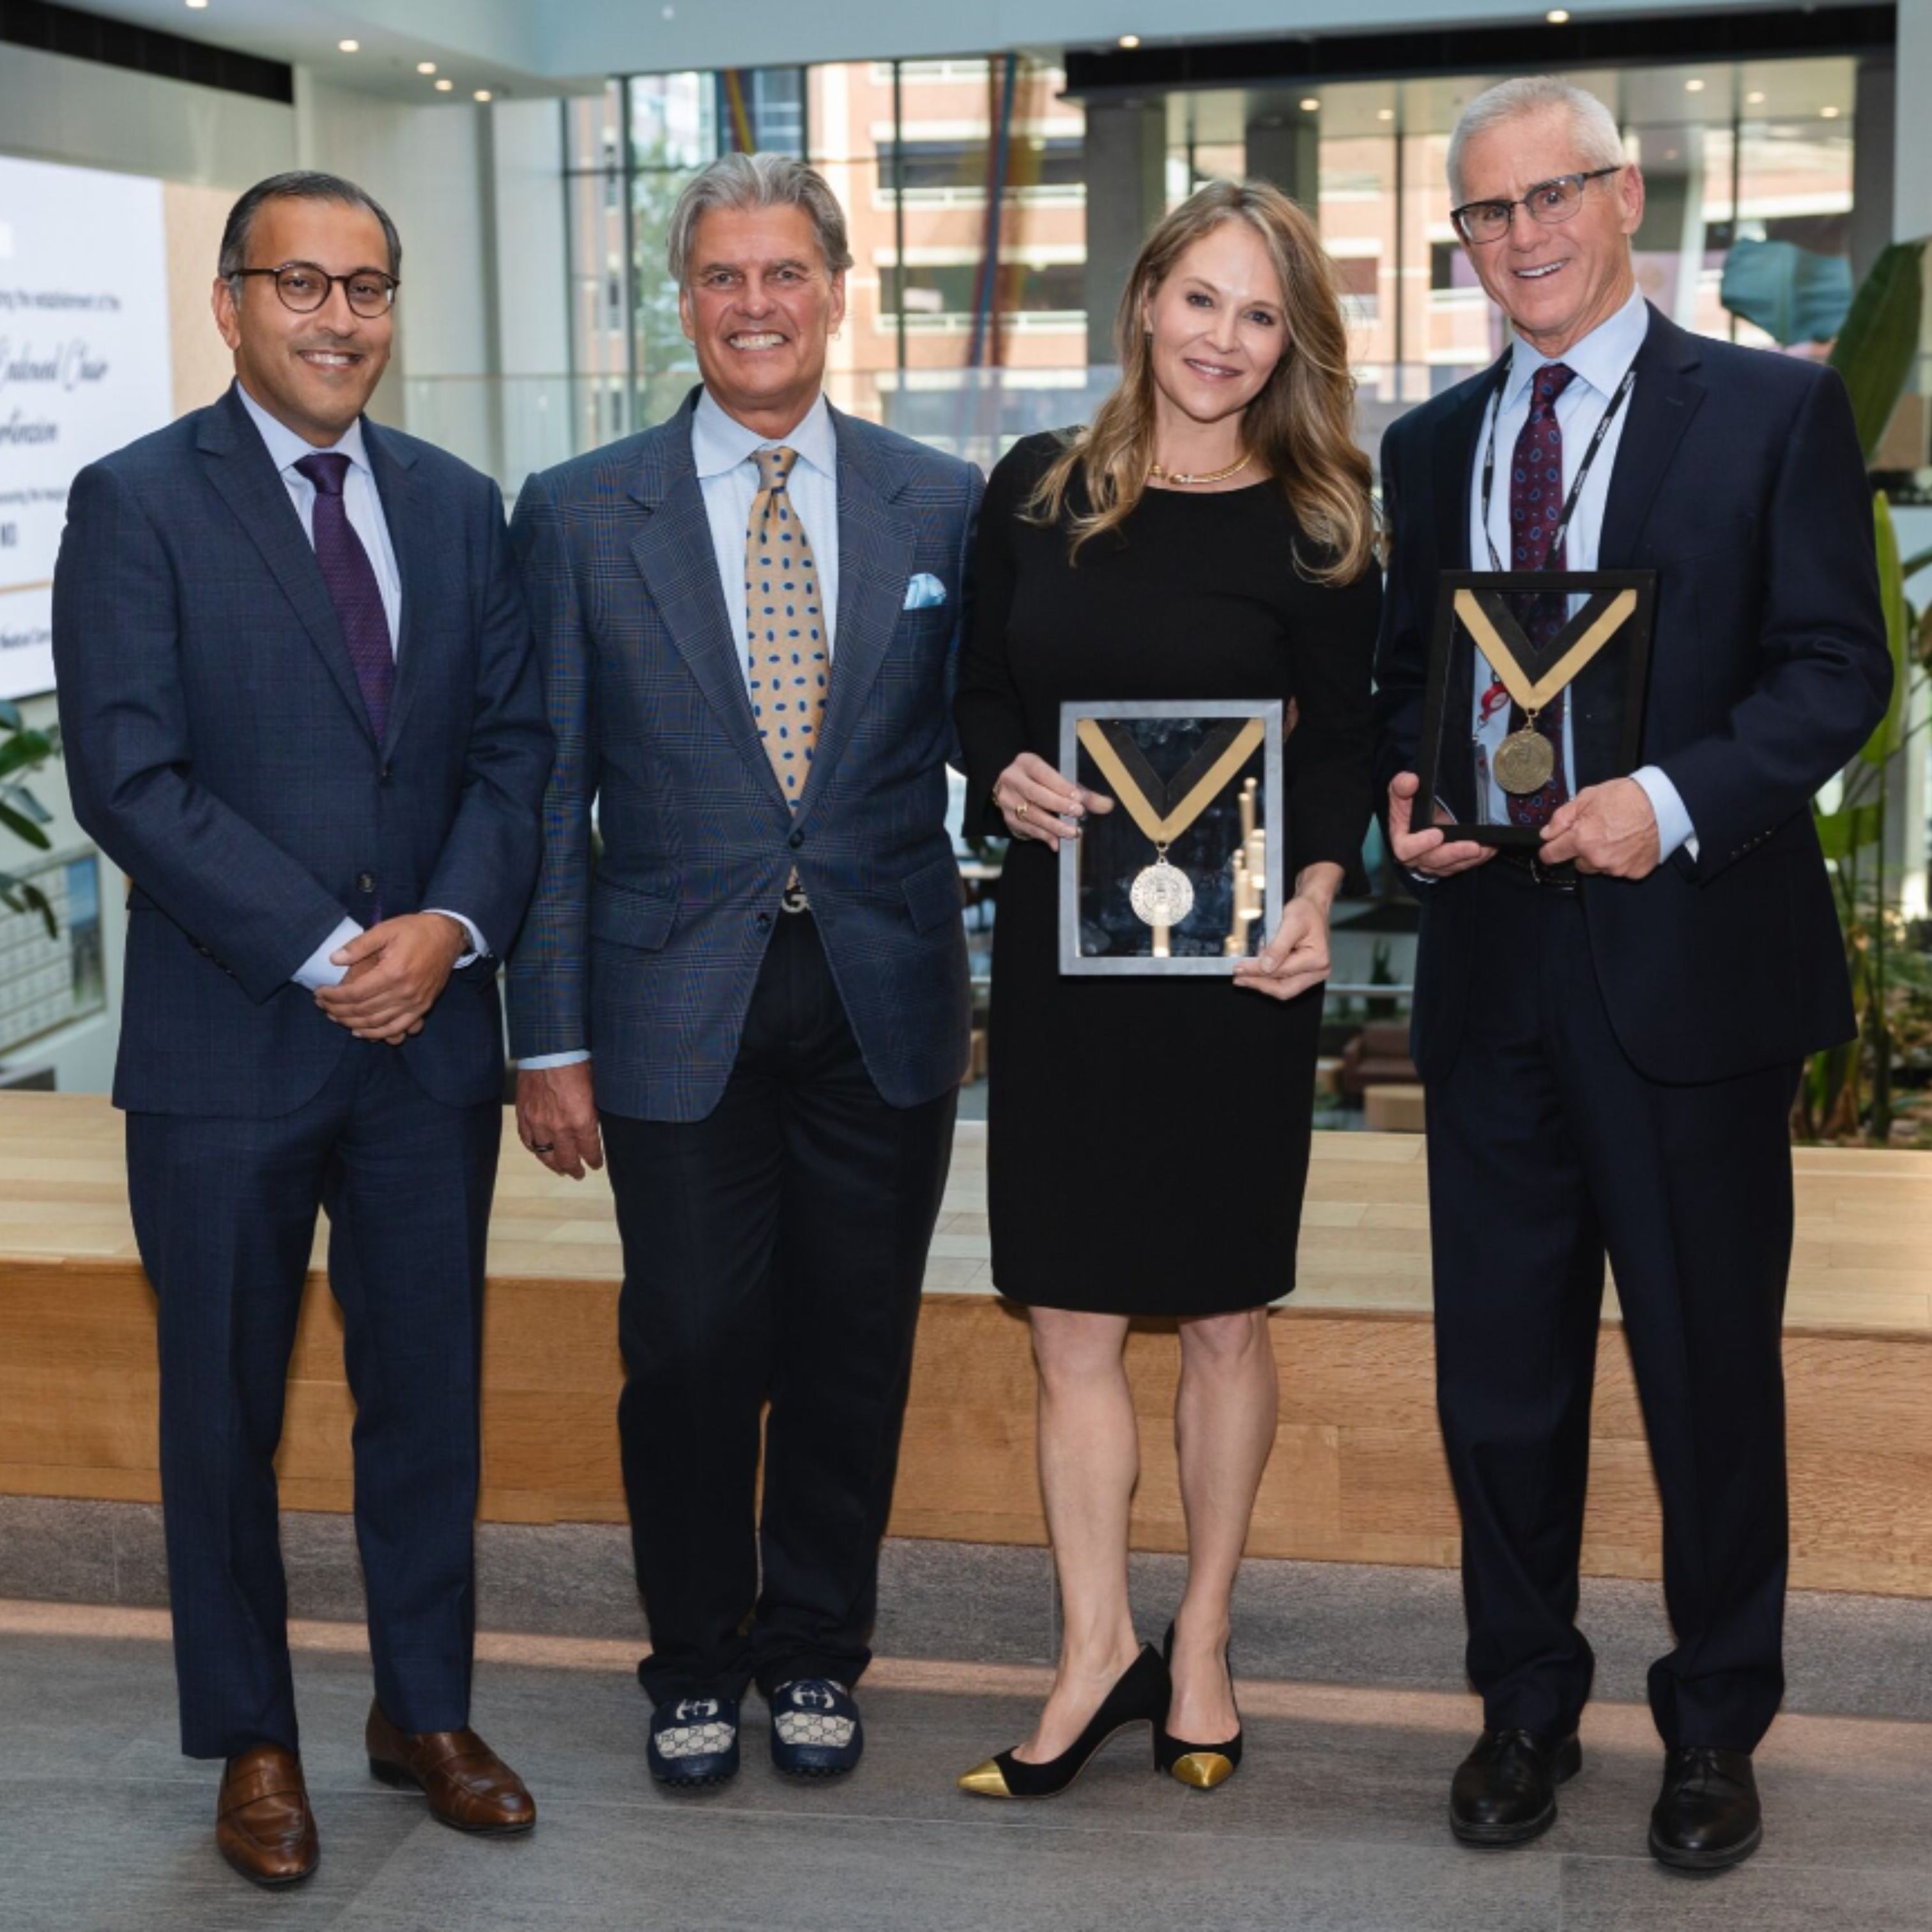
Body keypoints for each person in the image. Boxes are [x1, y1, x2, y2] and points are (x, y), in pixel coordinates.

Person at [1372, 77, 1891, 1873]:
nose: (1520, 237)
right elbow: (1403, 688)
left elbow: (1838, 674)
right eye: (1485, 216)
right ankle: (1522, 1705)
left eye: (1550, 197)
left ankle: (1715, 1727)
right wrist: (1408, 806)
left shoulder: (1771, 409)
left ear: (1626, 193)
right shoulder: (1430, 447)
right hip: (1492, 985)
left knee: (1705, 1380)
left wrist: (1662, 805)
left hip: (1692, 984)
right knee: (1499, 1383)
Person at [51, 171, 553, 1887]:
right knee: (223, 1414)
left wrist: (449, 930)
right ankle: (252, 1740)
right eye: (303, 286)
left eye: (369, 288)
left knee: (429, 1396)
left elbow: (511, 757)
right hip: (230, 1043)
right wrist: (339, 945)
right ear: (232, 303)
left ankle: (421, 1710)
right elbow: (128, 776)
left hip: (429, 1042)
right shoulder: (135, 503)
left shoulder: (458, 504)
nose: (340, 318)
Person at [508, 153, 981, 1791]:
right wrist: (544, 1036)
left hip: (884, 992)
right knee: (694, 1343)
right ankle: (696, 1653)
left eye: (787, 273)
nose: (756, 306)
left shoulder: (940, 501)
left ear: (840, 289)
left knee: (856, 1340)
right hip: (667, 998)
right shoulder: (575, 511)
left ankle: (814, 1652)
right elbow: (547, 789)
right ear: (684, 302)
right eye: (722, 277)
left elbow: (989, 745)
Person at [952, 180, 1379, 1800]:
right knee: (1067, 1319)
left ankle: (1199, 1638)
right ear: (1144, 304)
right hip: (1072, 969)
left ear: (1290, 343)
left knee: (1219, 1318)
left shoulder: (1324, 523)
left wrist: (1325, 891)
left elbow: (1340, 743)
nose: (1224, 339)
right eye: (1201, 300)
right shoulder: (1035, 492)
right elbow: (978, 687)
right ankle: (1089, 1652)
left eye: (1260, 314)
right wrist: (998, 767)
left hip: (1238, 980)